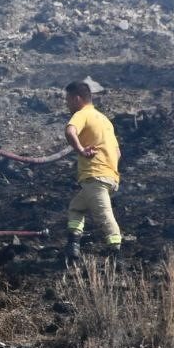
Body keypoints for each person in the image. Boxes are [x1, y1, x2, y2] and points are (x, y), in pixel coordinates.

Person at [61, 80, 122, 262]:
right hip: (109, 177)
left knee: (104, 214)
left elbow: (70, 132)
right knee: (76, 207)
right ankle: (73, 245)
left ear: (77, 99)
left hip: (95, 176)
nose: (67, 104)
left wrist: (81, 150)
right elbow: (118, 152)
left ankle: (116, 252)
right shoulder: (104, 120)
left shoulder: (82, 114)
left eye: (68, 100)